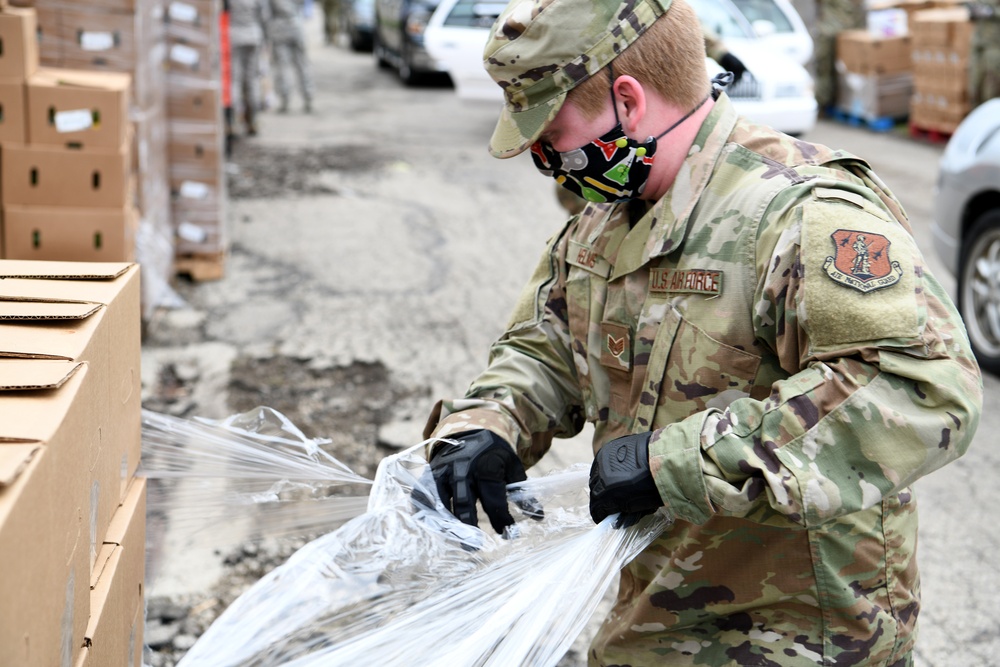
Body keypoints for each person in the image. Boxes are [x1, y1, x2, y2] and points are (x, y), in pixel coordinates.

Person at [423, 0, 983, 665]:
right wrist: (491, 422)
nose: (543, 155)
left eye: (548, 127)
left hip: (797, 632)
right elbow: (547, 341)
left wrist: (676, 462)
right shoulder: (605, 213)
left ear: (627, 102)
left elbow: (921, 387)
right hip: (654, 615)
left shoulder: (800, 211)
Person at [813, 0, 864, 110]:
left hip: (842, 32)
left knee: (835, 70)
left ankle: (827, 102)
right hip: (838, 31)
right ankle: (825, 102)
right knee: (827, 69)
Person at [229, 0, 270, 136]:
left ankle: (233, 121)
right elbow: (264, 16)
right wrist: (266, 39)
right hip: (253, 35)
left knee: (235, 80)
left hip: (234, 36)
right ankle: (253, 121)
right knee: (252, 80)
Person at [268, 0, 316, 112]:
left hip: (279, 29)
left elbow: (266, 13)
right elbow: (307, 8)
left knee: (283, 67)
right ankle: (308, 96)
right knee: (301, 65)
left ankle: (285, 99)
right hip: (295, 26)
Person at [968, 0, 1000, 107]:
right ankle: (976, 116)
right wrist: (973, 10)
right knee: (975, 85)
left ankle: (991, 117)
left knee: (991, 87)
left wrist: (992, 12)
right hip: (978, 43)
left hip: (994, 44)